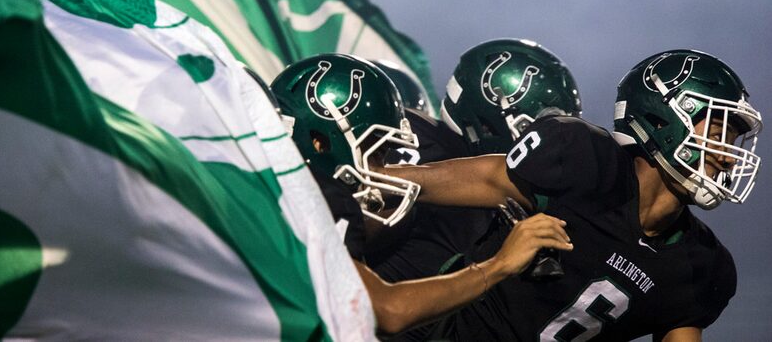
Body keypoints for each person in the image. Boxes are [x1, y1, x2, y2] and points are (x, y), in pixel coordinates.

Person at [379, 49, 763, 341]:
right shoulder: (583, 158)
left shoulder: (701, 266)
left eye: (730, 141)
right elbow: (486, 179)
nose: (725, 156)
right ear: (663, 119)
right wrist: (366, 179)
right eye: (716, 133)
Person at [270, 53, 573, 335]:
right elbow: (387, 310)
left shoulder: (279, 182)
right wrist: (499, 265)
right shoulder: (310, 200)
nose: (383, 168)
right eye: (375, 150)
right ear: (319, 140)